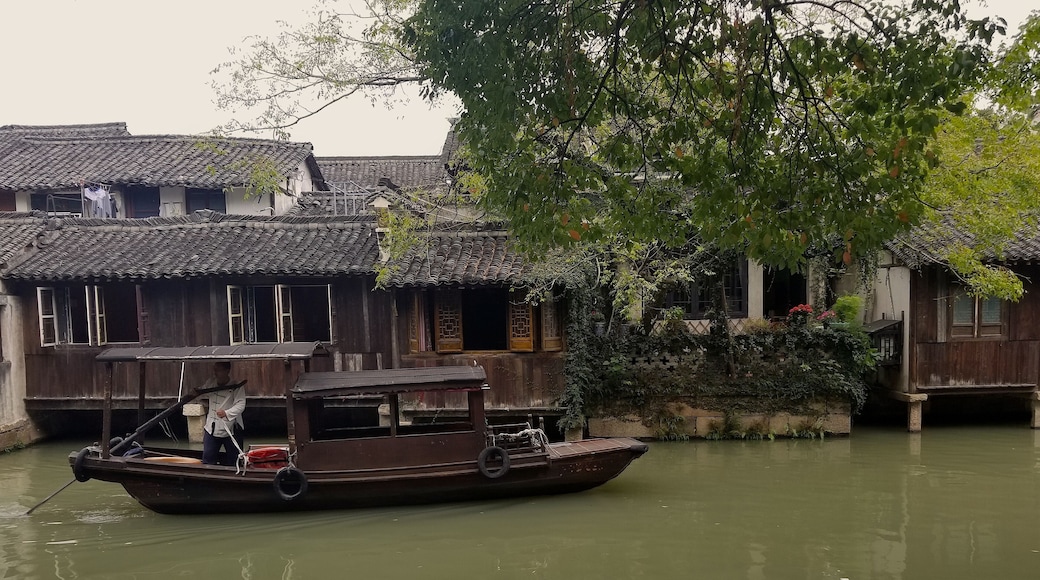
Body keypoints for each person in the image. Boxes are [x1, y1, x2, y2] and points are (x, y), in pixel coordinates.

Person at [195, 361, 246, 466]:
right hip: (212, 427)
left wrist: (226, 413)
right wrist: (195, 394)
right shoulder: (211, 383)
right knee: (208, 456)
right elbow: (201, 393)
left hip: (230, 427)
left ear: (227, 371)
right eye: (215, 370)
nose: (216, 373)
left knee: (234, 459)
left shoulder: (236, 386)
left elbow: (241, 404)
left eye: (218, 370)